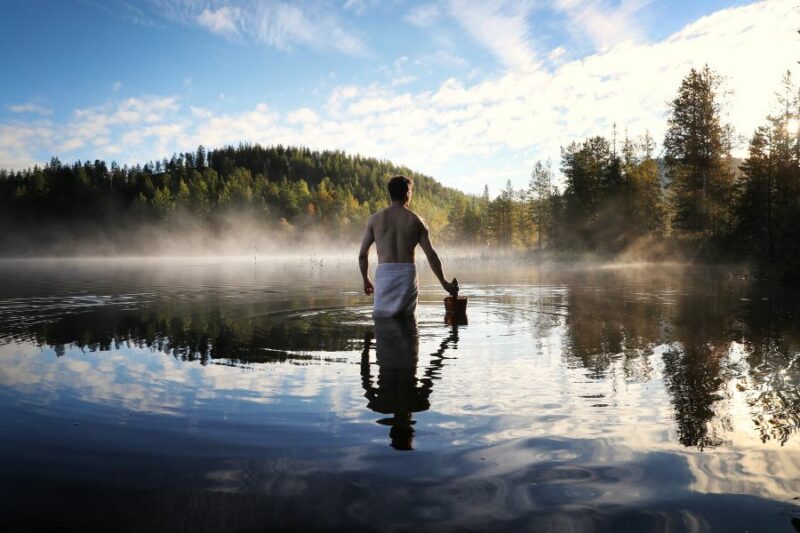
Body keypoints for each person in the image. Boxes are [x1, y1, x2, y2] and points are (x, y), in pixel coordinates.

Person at [358, 175, 457, 317]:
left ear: (390, 194)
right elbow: (431, 255)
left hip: (384, 274)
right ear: (407, 193)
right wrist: (444, 282)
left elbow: (362, 255)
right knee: (407, 319)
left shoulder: (375, 220)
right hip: (407, 274)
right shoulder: (416, 220)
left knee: (382, 317)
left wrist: (366, 279)